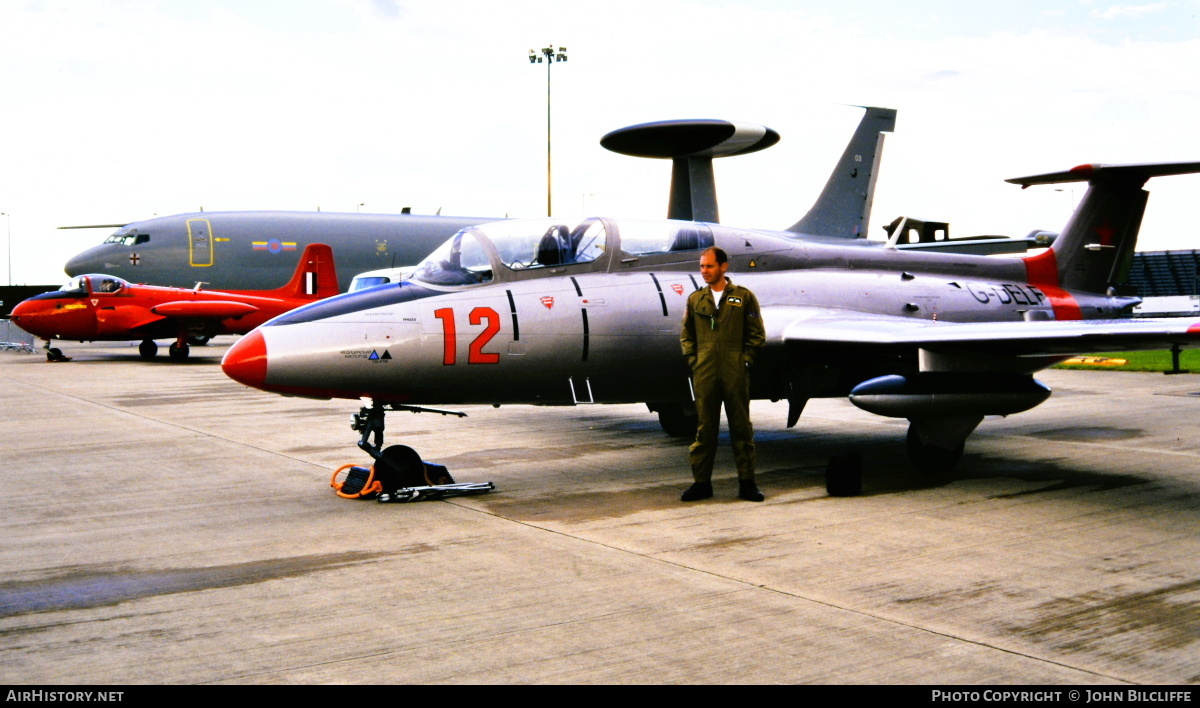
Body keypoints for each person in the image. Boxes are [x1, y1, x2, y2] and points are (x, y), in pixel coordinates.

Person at [679, 246, 766, 502]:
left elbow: (756, 334)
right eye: (702, 266)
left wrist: (745, 361)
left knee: (741, 427)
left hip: (735, 370)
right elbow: (687, 336)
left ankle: (747, 483)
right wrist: (695, 361)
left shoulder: (743, 297)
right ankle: (701, 483)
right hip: (705, 371)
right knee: (705, 428)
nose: (704, 271)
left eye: (709, 266)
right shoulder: (695, 300)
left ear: (723, 267)